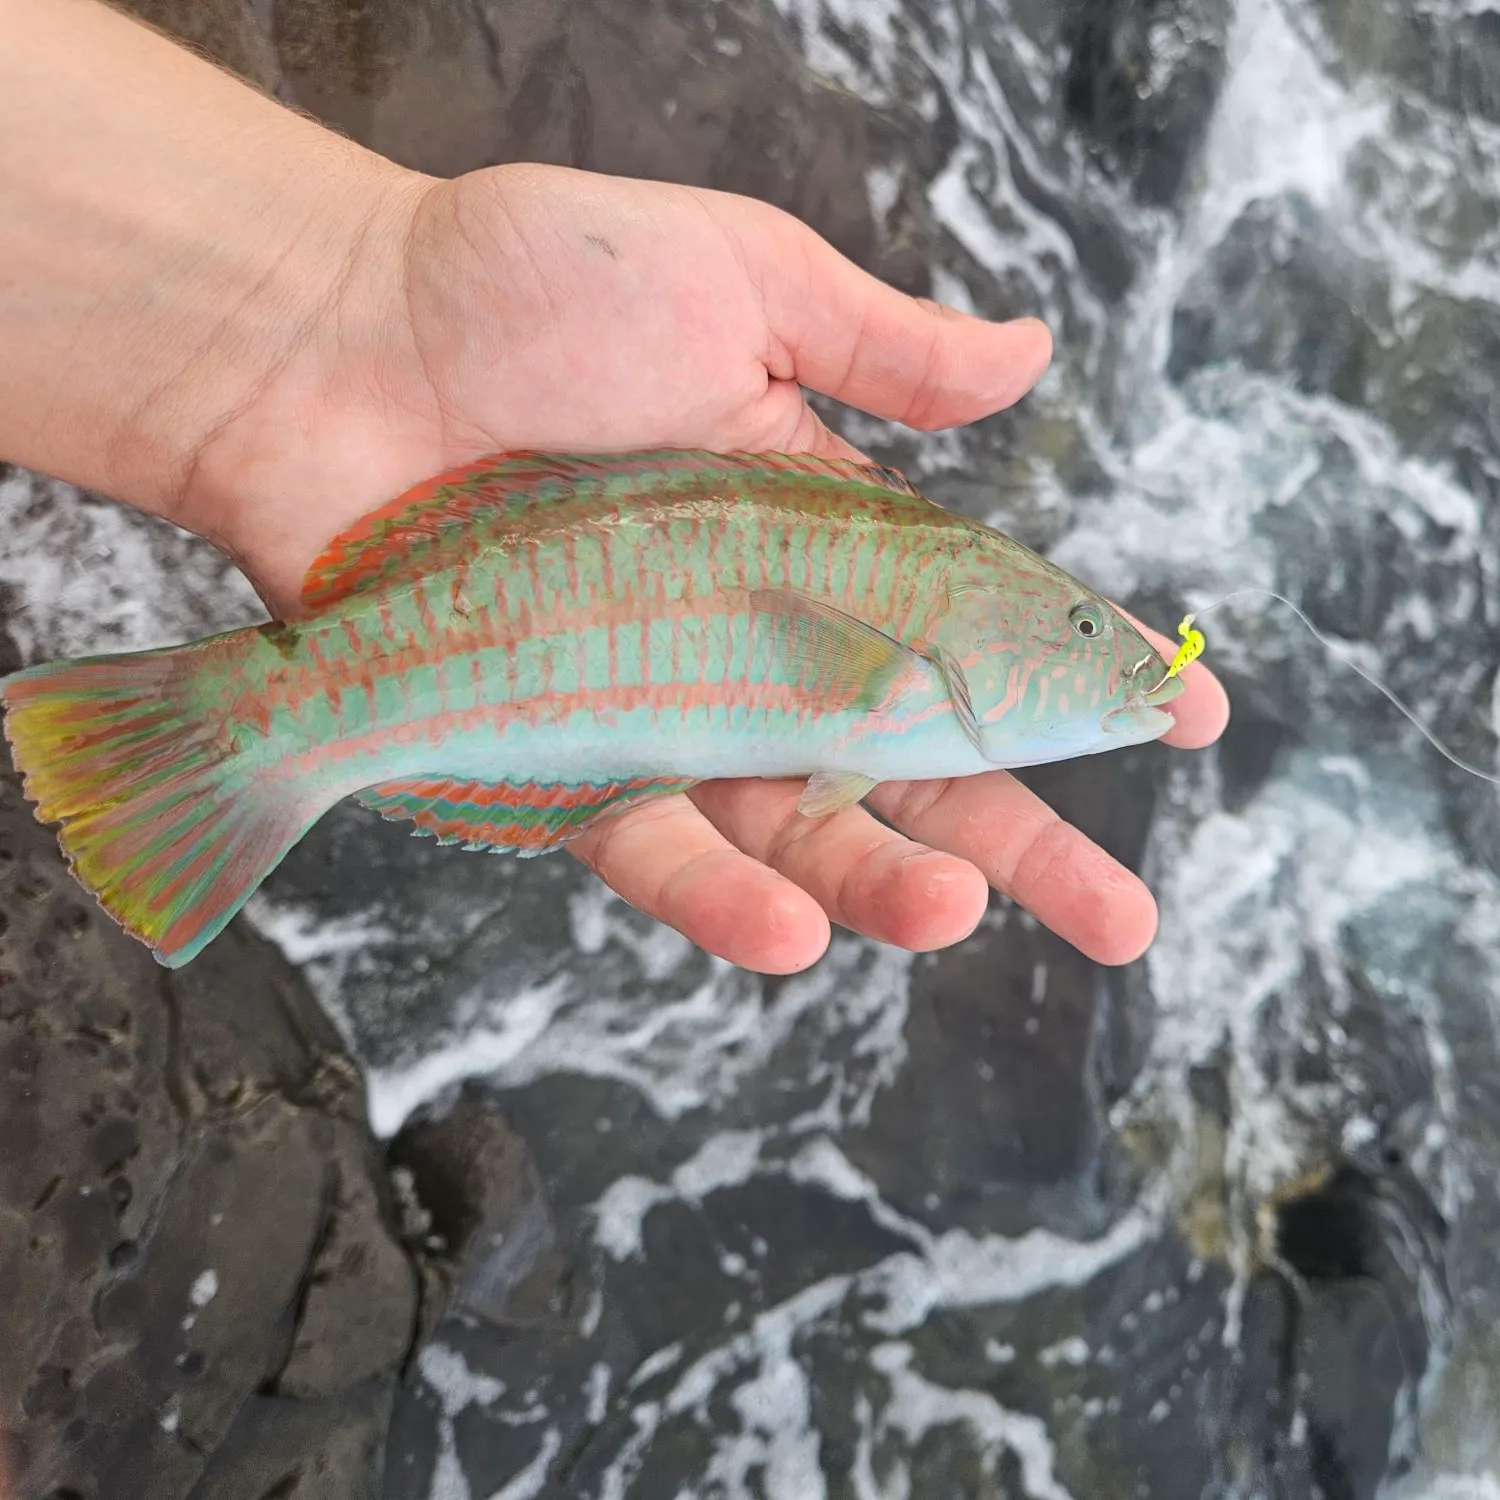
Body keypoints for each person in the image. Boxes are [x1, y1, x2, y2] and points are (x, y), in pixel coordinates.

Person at [0, 0, 1227, 978]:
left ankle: (256, 735)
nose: (1119, 655)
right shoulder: (917, 654)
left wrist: (329, 285)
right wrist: (348, 292)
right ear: (988, 628)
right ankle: (241, 736)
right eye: (1077, 623)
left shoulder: (932, 638)